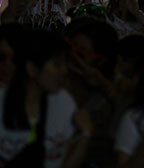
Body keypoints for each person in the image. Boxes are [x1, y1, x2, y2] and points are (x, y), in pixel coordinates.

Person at [0, 29, 91, 166]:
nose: (64, 71)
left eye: (65, 64)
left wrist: (86, 135)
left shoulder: (65, 103)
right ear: (32, 69)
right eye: (57, 65)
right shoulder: (2, 103)